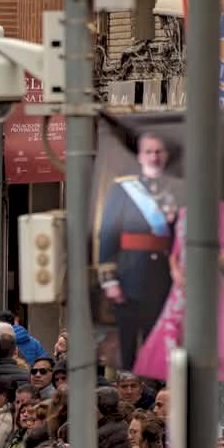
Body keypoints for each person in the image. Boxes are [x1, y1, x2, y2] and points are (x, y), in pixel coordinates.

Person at [97, 133, 181, 370]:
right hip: (129, 277)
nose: (154, 157)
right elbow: (108, 235)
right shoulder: (123, 189)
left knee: (159, 341)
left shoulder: (175, 189)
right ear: (140, 156)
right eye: (148, 152)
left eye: (158, 152)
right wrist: (110, 280)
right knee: (128, 346)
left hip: (165, 277)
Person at [134, 203, 224, 382]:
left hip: (205, 281)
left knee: (207, 335)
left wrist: (201, 261)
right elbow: (175, 251)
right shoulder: (184, 210)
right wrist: (175, 273)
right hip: (181, 283)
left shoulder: (218, 208)